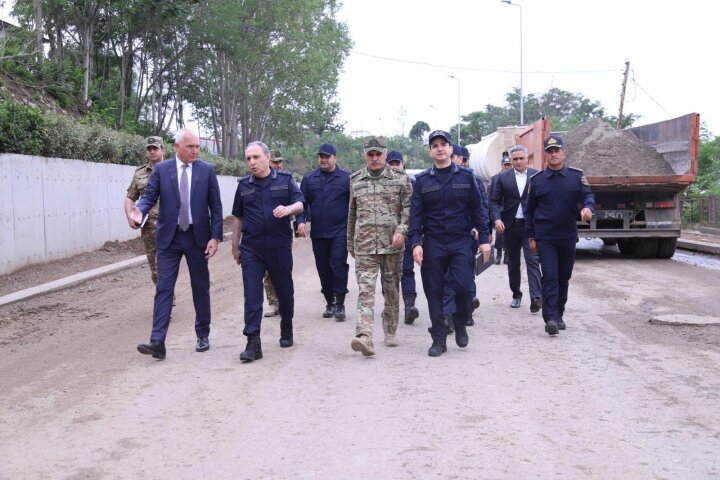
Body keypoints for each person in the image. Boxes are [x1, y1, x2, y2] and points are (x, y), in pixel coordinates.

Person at [131, 129, 223, 359]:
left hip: (197, 238)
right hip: (169, 238)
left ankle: (202, 334)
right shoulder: (162, 170)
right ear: (177, 147)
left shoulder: (206, 170)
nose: (195, 151)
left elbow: (217, 207)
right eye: (190, 146)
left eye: (197, 147)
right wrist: (138, 214)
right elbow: (149, 198)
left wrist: (215, 237)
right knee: (164, 288)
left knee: (200, 286)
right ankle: (157, 341)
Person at [409, 131, 491, 357]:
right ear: (430, 151)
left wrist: (484, 240)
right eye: (434, 145)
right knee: (434, 291)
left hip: (461, 242)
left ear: (451, 149)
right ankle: (438, 338)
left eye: (443, 144)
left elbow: (479, 211)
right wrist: (416, 243)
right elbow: (415, 215)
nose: (439, 148)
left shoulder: (467, 178)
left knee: (464, 288)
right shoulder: (422, 181)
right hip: (433, 242)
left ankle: (461, 320)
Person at [232, 141, 305, 361]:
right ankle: (253, 342)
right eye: (248, 159)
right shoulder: (244, 185)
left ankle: (287, 326)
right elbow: (238, 217)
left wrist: (288, 209)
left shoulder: (285, 180)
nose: (252, 163)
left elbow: (300, 203)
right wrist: (235, 245)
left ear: (267, 157)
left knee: (284, 292)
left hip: (278, 247)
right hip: (252, 248)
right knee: (252, 296)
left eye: (256, 157)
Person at [348, 137, 412, 356]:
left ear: (385, 154)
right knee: (365, 291)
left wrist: (402, 231)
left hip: (392, 246)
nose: (374, 158)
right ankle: (364, 336)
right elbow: (352, 213)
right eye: (370, 154)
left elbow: (408, 210)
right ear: (365, 155)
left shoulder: (401, 179)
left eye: (378, 154)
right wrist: (350, 241)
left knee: (392, 290)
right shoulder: (356, 179)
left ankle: (390, 329)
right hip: (365, 246)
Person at [525, 135, 595, 336]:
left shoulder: (576, 177)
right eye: (550, 151)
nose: (554, 154)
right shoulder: (537, 181)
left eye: (557, 151)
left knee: (564, 277)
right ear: (546, 155)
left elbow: (588, 195)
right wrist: (531, 237)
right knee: (550, 277)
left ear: (563, 153)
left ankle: (559, 314)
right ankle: (550, 318)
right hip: (545, 238)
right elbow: (529, 211)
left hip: (567, 235)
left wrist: (588, 208)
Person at [299, 143, 351, 320]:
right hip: (319, 233)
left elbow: (355, 206)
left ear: (335, 158)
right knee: (323, 267)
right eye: (321, 156)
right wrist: (300, 222)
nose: (323, 159)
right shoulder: (309, 179)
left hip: (340, 232)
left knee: (338, 265)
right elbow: (301, 204)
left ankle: (341, 304)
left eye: (327, 156)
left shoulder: (347, 179)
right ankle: (330, 302)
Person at [490, 144, 543, 312]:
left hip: (530, 226)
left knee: (532, 261)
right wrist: (497, 219)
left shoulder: (537, 176)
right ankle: (516, 295)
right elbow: (494, 201)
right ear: (511, 160)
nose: (518, 162)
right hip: (510, 225)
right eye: (515, 159)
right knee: (513, 262)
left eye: (521, 158)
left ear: (527, 159)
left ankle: (536, 297)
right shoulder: (502, 177)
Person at [441, 144, 485, 328]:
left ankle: (466, 307)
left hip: (467, 235)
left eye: (458, 157)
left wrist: (481, 231)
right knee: (447, 277)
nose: (455, 160)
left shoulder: (472, 179)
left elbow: (481, 207)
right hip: (443, 237)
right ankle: (448, 316)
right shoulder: (436, 178)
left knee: (465, 275)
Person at [125, 136, 165, 287]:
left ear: (162, 150)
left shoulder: (172, 170)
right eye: (149, 149)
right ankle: (165, 297)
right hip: (149, 228)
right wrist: (130, 216)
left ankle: (165, 295)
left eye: (155, 148)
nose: (152, 151)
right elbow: (130, 198)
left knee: (167, 264)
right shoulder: (139, 173)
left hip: (170, 226)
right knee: (154, 267)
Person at [386, 150, 419, 324]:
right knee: (388, 273)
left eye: (397, 163)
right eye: (390, 164)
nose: (394, 167)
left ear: (403, 165)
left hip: (406, 234)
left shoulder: (413, 184)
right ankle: (390, 307)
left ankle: (409, 306)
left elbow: (418, 211)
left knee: (407, 269)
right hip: (385, 236)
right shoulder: (380, 185)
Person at [261, 150, 285, 318]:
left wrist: (300, 222)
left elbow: (299, 202)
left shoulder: (286, 180)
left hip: (281, 234)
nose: (277, 165)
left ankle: (284, 301)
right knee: (267, 272)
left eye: (280, 162)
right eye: (275, 162)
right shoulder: (255, 180)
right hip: (261, 234)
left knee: (281, 269)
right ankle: (272, 303)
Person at [490, 154, 513, 264]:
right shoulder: (495, 178)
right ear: (501, 166)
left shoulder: (514, 177)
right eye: (505, 164)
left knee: (510, 234)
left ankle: (507, 255)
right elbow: (490, 197)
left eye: (509, 164)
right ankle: (498, 254)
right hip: (499, 209)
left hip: (509, 209)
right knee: (499, 234)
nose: (507, 166)